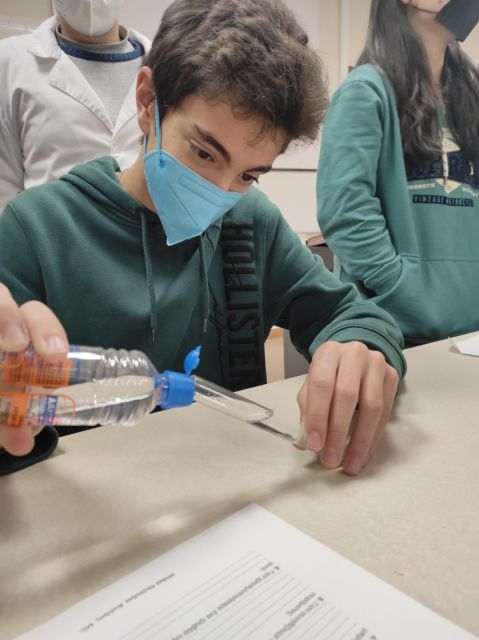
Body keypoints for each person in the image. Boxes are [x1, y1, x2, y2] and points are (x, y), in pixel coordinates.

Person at [0, 0, 405, 477]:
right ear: (148, 102)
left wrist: (361, 346)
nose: (220, 191)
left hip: (229, 490)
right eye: (204, 153)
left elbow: (349, 313)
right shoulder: (36, 230)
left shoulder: (249, 220)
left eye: (249, 174)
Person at [317, 0, 479, 347]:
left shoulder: (470, 100)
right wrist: (401, 287)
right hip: (393, 335)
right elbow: (346, 213)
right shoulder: (365, 91)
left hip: (471, 335)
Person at [0, 0, 151, 211]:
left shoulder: (163, 63)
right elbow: (4, 189)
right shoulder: (10, 62)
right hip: (49, 229)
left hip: (147, 228)